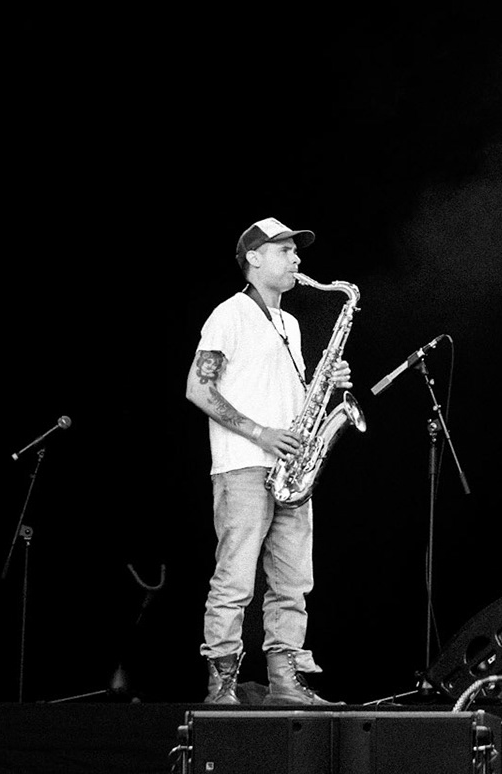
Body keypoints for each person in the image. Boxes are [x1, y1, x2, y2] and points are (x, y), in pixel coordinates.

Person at [186, 217, 351, 706]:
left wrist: (327, 386)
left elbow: (286, 398)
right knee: (235, 581)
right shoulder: (229, 314)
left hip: (292, 470)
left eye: (296, 251)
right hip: (244, 466)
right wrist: (261, 433)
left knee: (293, 583)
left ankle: (285, 682)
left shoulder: (290, 324)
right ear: (253, 258)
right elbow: (198, 387)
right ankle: (221, 685)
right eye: (284, 250)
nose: (297, 259)